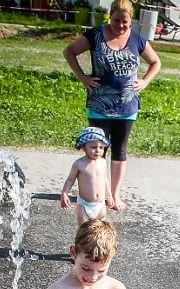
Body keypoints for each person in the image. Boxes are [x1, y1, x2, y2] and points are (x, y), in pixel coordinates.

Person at [63, 0, 161, 211]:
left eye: (125, 22)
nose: (120, 25)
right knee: (98, 151)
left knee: (120, 150)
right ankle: (97, 193)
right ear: (110, 16)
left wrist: (144, 81)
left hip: (127, 106)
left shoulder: (137, 39)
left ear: (131, 20)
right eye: (116, 20)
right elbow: (69, 51)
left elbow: (156, 62)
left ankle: (114, 195)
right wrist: (83, 78)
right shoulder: (96, 35)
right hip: (99, 104)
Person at [61, 127, 113, 224]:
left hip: (100, 204)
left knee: (101, 227)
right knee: (83, 230)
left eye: (101, 147)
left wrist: (109, 195)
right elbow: (70, 180)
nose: (98, 150)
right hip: (84, 205)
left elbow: (105, 179)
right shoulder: (79, 164)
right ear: (84, 147)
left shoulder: (103, 162)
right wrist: (64, 193)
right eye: (93, 147)